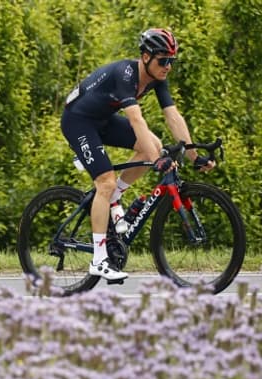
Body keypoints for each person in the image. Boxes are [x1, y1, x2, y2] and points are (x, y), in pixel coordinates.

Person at [60, 28, 215, 281]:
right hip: (78, 121)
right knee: (105, 182)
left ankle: (115, 198)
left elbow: (173, 116)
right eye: (163, 60)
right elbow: (135, 119)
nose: (168, 66)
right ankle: (99, 260)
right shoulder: (126, 74)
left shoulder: (158, 79)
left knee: (152, 146)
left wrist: (193, 155)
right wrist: (158, 161)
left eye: (171, 61)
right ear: (146, 57)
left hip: (103, 119)